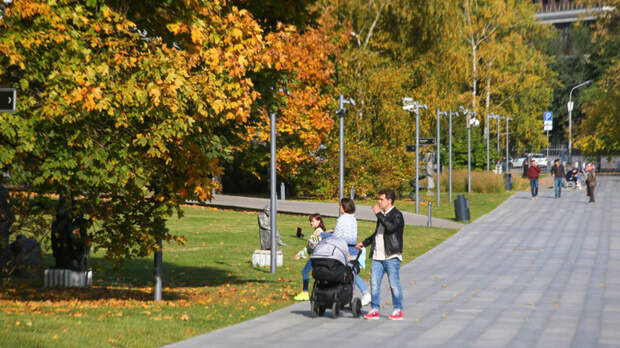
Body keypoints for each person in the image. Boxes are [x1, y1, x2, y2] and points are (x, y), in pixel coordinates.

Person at [356, 188, 405, 320]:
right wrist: (364, 243)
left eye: (381, 199)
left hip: (391, 256)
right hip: (378, 256)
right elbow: (378, 234)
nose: (379, 201)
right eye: (379, 199)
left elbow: (390, 228)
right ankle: (375, 309)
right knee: (374, 284)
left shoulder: (397, 215)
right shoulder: (382, 215)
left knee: (394, 284)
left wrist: (378, 214)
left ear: (389, 200)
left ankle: (398, 309)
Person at [332, 198, 371, 306]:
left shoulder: (342, 219)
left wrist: (328, 234)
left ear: (344, 207)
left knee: (344, 273)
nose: (339, 207)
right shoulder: (353, 219)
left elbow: (337, 236)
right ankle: (353, 294)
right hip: (353, 249)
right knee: (351, 272)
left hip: (344, 250)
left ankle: (364, 293)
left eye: (340, 205)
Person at [294, 213, 327, 301]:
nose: (311, 223)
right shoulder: (322, 232)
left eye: (312, 221)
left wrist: (300, 255)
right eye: (310, 221)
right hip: (323, 257)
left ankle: (305, 293)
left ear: (319, 221)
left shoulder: (317, 232)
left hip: (316, 257)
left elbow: (310, 247)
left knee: (305, 272)